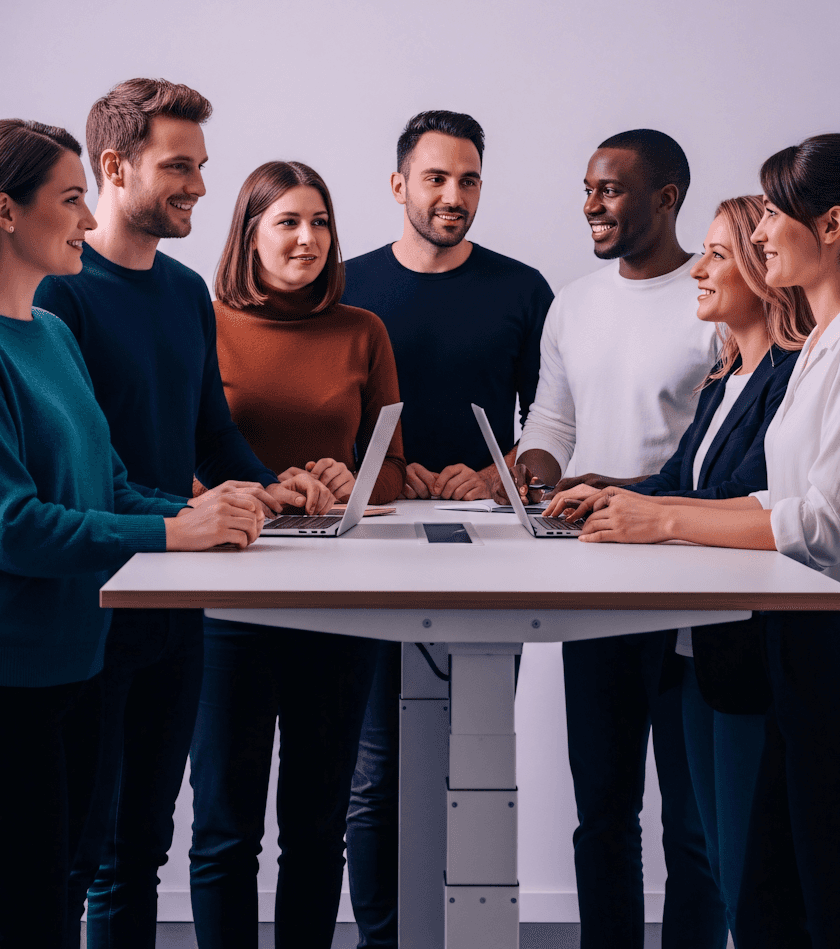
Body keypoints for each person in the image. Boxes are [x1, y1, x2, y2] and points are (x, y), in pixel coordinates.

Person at [34, 80, 331, 949]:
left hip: (177, 604)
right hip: (93, 602)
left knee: (144, 845)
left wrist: (269, 487)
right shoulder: (61, 294)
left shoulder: (181, 293)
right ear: (115, 166)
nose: (200, 185)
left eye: (202, 166)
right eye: (178, 166)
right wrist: (196, 516)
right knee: (85, 857)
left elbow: (210, 437)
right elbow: (90, 478)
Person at [566, 135, 840, 949]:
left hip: (806, 643)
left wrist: (668, 518)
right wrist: (627, 499)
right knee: (769, 885)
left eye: (769, 221)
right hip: (790, 644)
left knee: (787, 884)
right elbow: (771, 497)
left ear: (829, 225)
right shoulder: (813, 351)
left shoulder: (818, 357)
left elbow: (821, 520)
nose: (759, 238)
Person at [0, 119, 264, 949]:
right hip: (16, 678)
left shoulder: (51, 337)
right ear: (7, 212)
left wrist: (212, 516)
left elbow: (108, 483)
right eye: (71, 200)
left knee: (78, 875)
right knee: (38, 902)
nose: (86, 219)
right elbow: (15, 526)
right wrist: (171, 531)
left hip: (80, 660)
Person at [493, 129, 726, 949]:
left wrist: (612, 488)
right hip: (592, 581)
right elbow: (554, 420)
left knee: (695, 827)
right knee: (602, 814)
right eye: (588, 187)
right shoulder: (576, 302)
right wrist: (538, 469)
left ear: (666, 199)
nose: (591, 204)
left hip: (693, 587)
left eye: (612, 190)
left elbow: (726, 461)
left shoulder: (717, 296)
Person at [341, 109, 553, 947]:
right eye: (435, 178)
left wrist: (499, 469)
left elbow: (549, 425)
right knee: (377, 766)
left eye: (468, 179)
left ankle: (472, 931)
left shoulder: (522, 288)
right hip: (371, 548)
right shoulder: (348, 285)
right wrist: (388, 478)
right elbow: (333, 418)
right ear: (399, 185)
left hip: (490, 551)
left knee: (477, 753)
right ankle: (382, 938)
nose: (453, 195)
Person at [188, 160, 404, 949]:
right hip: (228, 596)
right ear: (249, 235)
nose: (308, 239)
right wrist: (248, 487)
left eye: (320, 223)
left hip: (338, 598)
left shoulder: (362, 330)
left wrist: (354, 478)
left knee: (317, 826)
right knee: (223, 825)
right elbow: (173, 453)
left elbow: (394, 466)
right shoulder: (200, 319)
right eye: (288, 222)